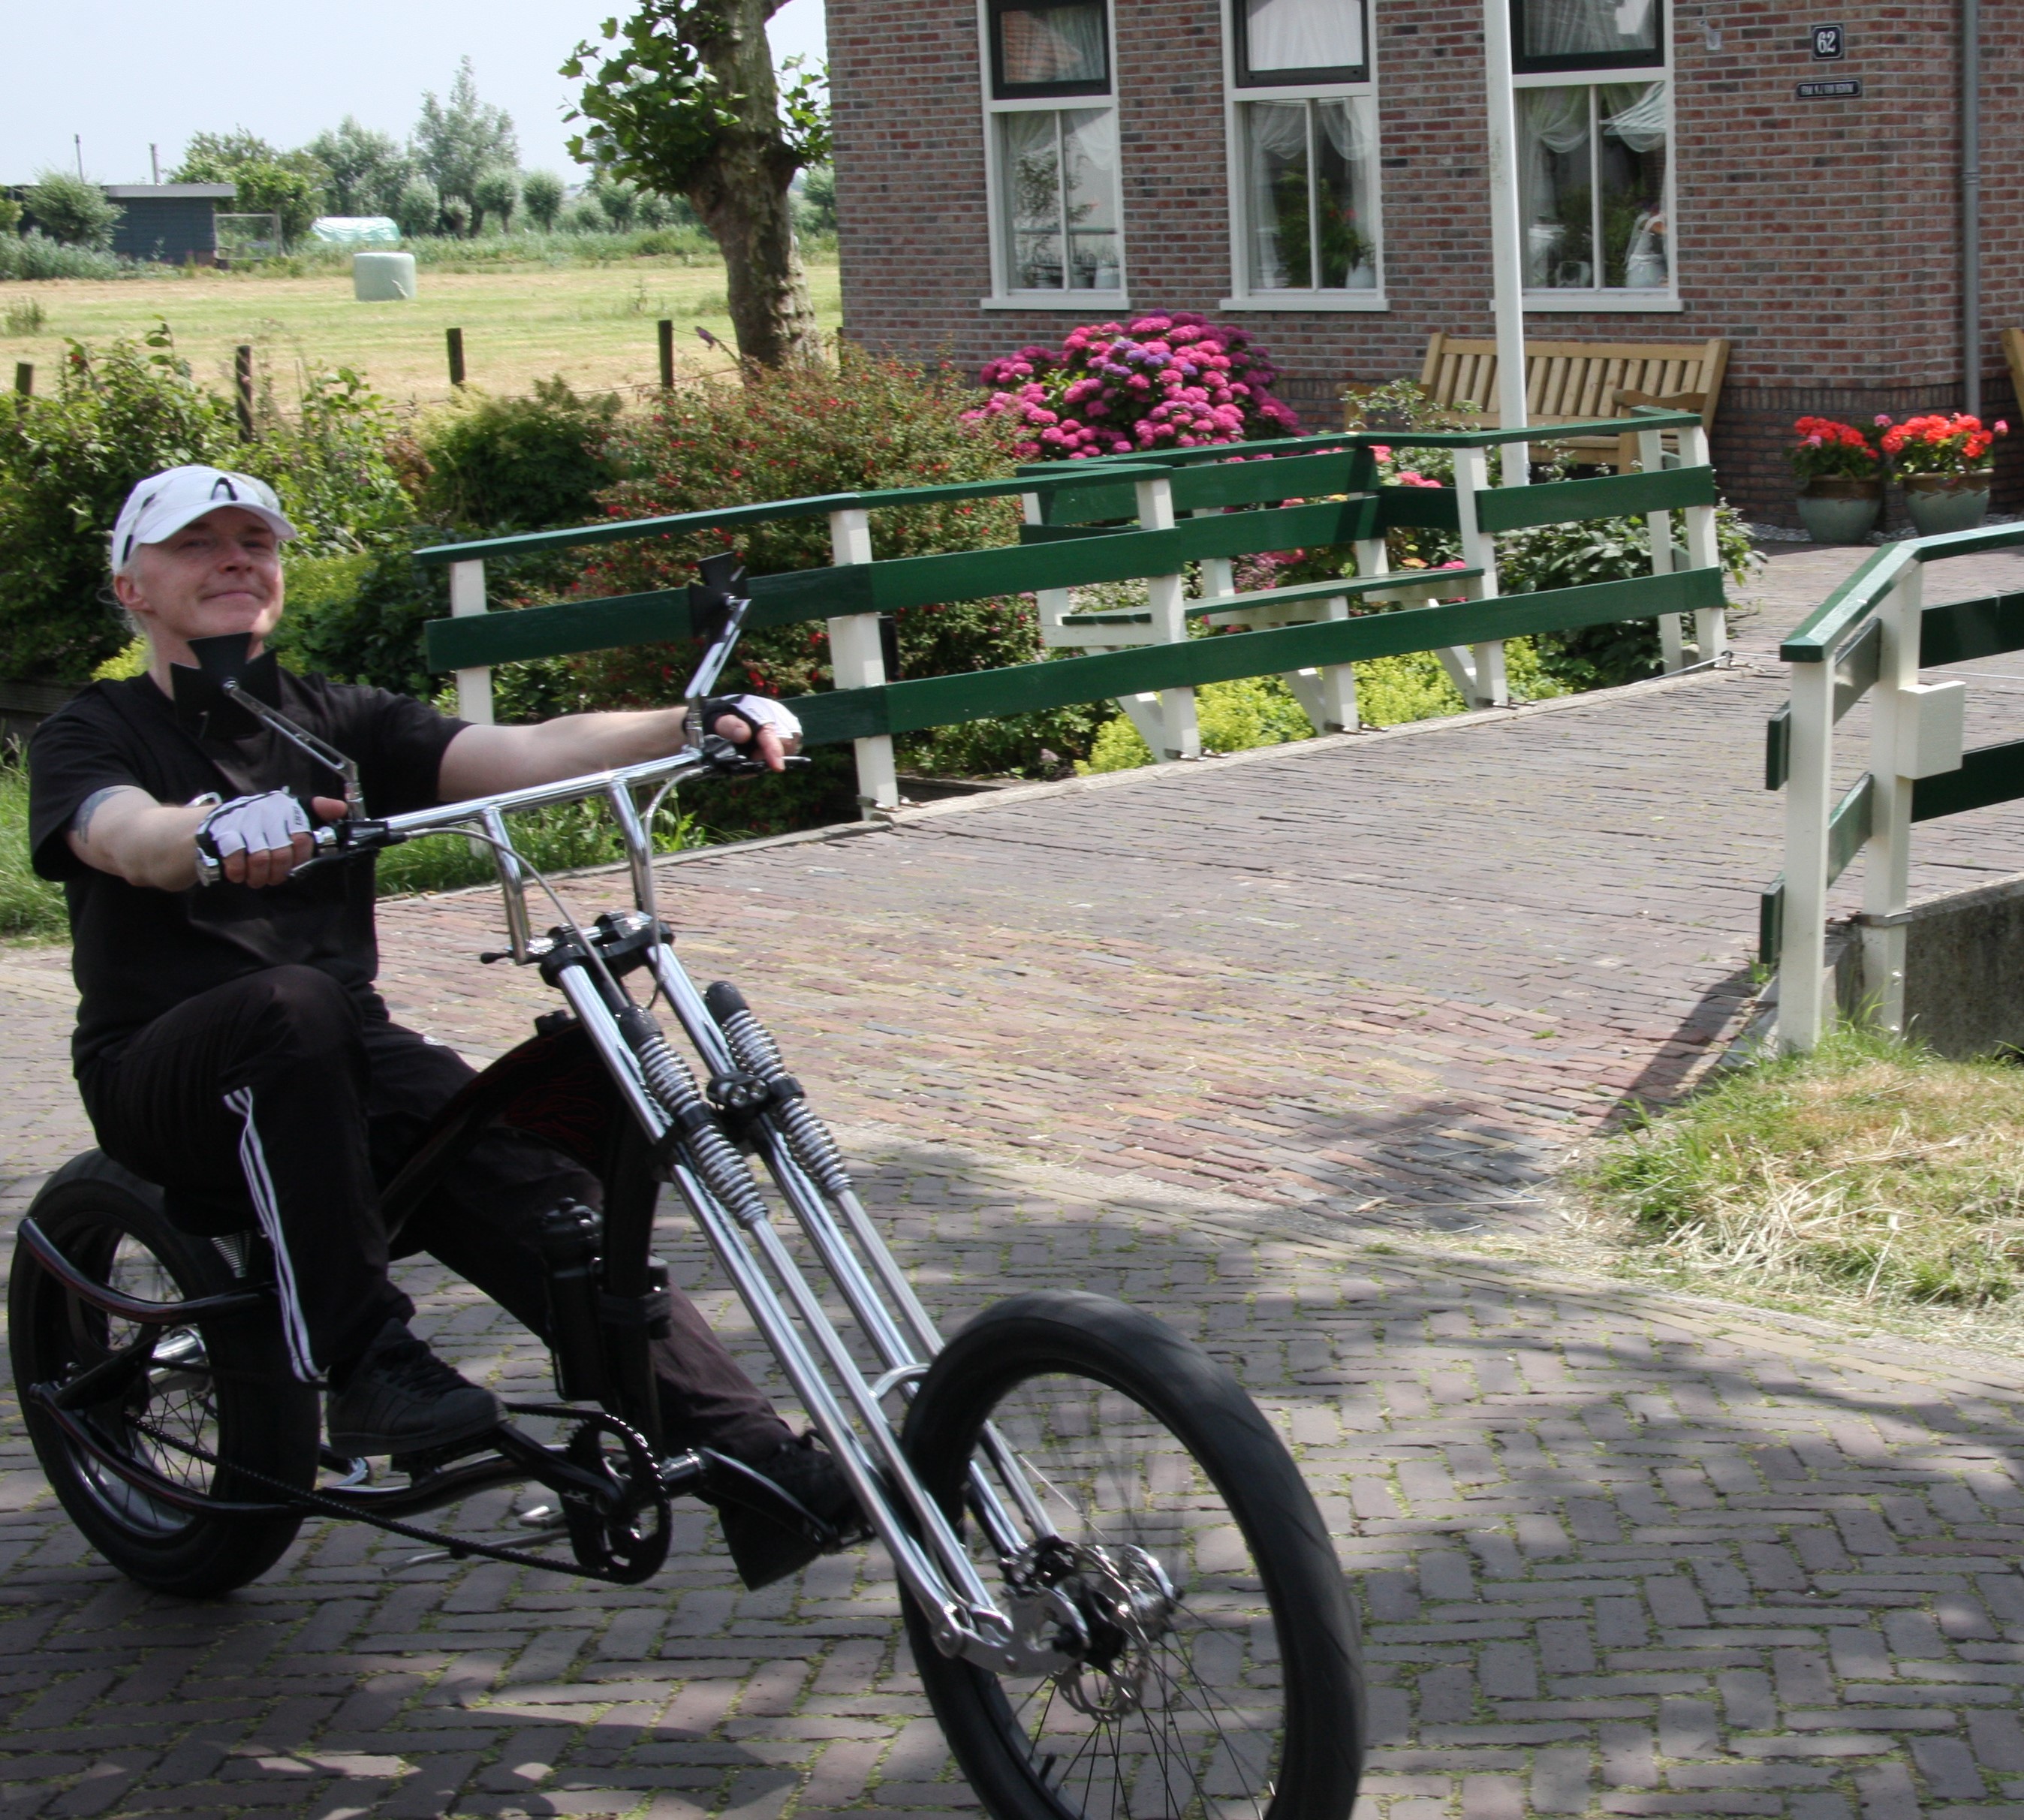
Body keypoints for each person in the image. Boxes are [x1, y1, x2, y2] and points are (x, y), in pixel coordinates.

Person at [27, 466, 854, 1587]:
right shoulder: (95, 728)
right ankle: (368, 1363)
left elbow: (522, 749)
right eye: (195, 544)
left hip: (341, 1062)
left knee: (529, 1178)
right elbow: (124, 835)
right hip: (163, 1067)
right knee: (294, 1006)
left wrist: (694, 718)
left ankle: (760, 1467)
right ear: (132, 584)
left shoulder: (334, 720)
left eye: (254, 541)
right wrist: (214, 830)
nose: (234, 559)